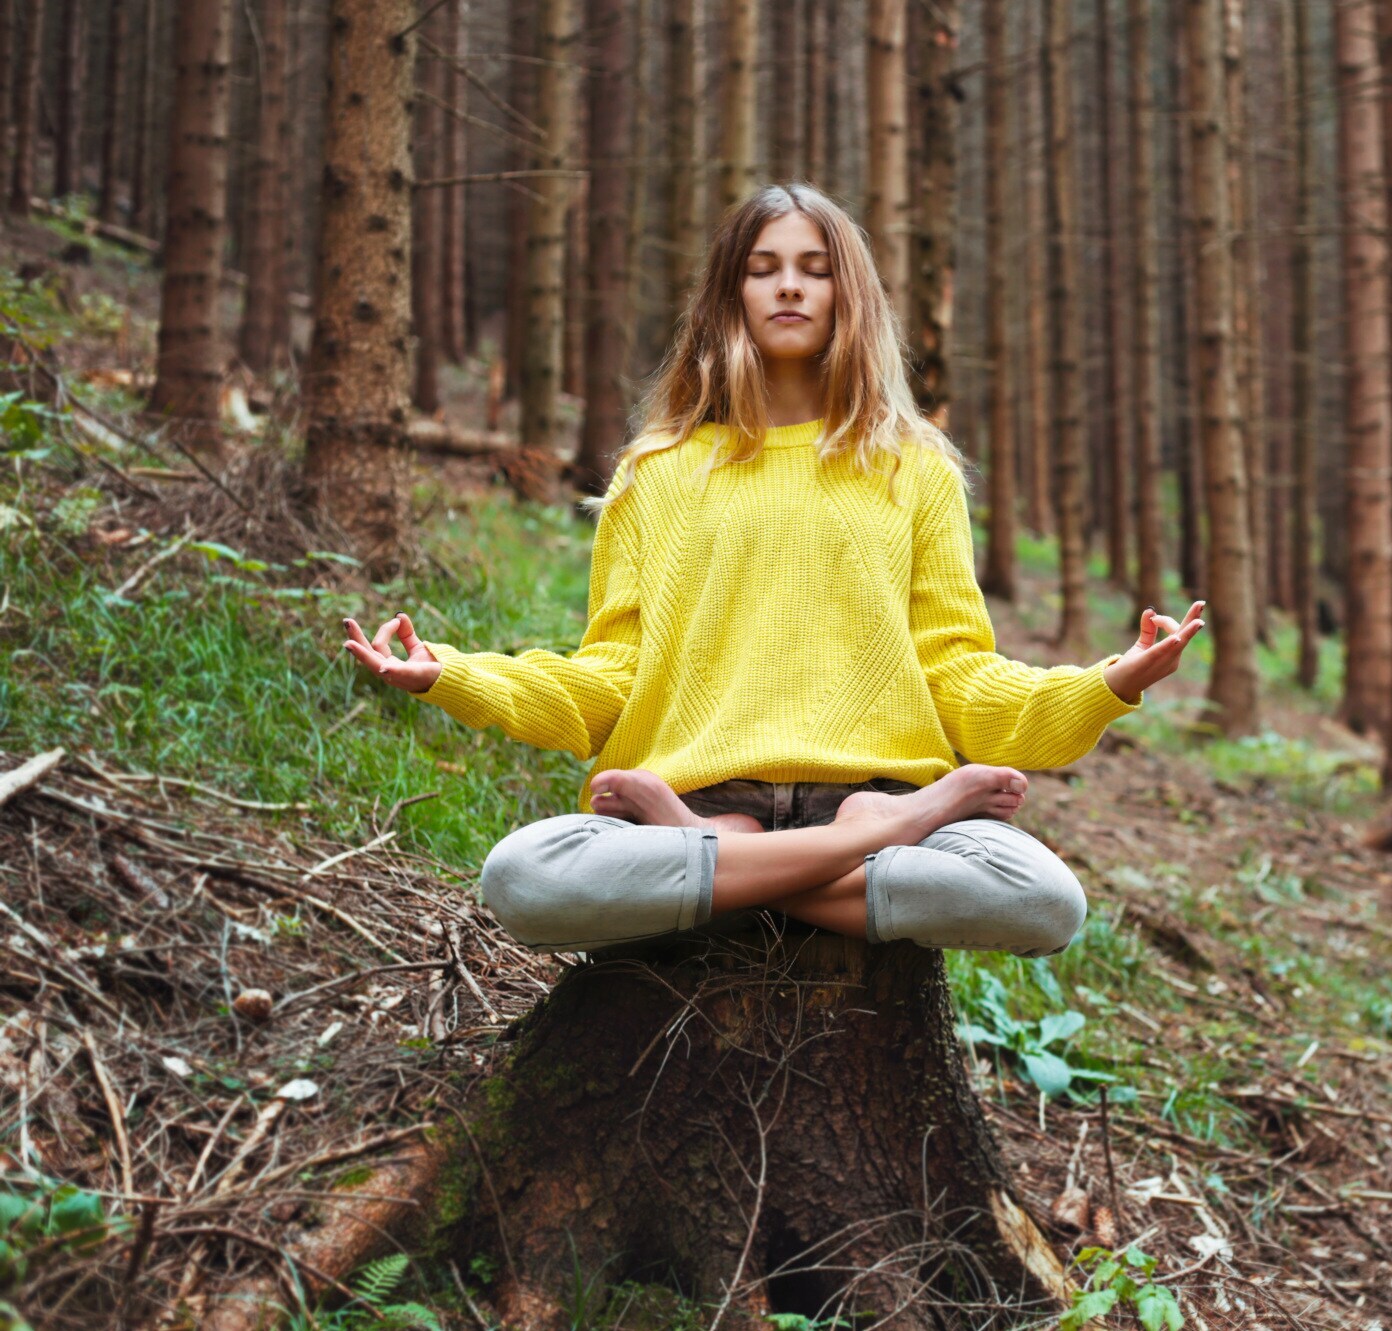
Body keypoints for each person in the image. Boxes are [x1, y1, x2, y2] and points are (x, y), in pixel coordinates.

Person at [339, 183, 1204, 959]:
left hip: (842, 803)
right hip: (747, 806)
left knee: (1044, 900)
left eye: (814, 269)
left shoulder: (914, 469)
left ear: (848, 295)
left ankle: (738, 868)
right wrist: (449, 673)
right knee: (522, 875)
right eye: (764, 268)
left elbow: (958, 677)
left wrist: (1106, 683)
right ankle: (815, 848)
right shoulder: (659, 470)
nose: (789, 286)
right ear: (731, 295)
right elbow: (607, 680)